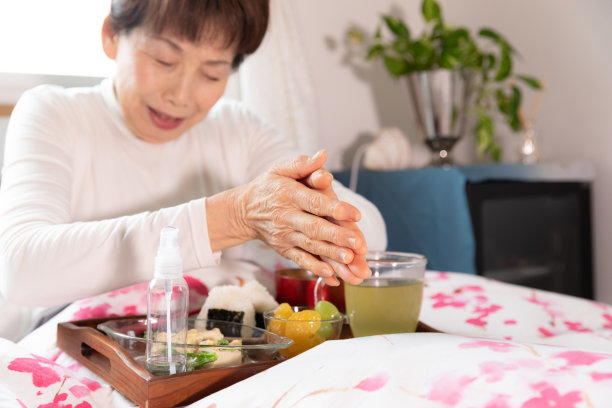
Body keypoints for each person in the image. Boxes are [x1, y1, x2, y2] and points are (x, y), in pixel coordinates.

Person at [0, 0, 386, 308]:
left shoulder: (237, 129)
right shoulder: (53, 114)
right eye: (164, 61)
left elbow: (373, 233)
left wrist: (319, 212)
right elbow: (19, 271)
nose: (181, 96)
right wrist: (234, 216)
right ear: (112, 36)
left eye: (212, 74)